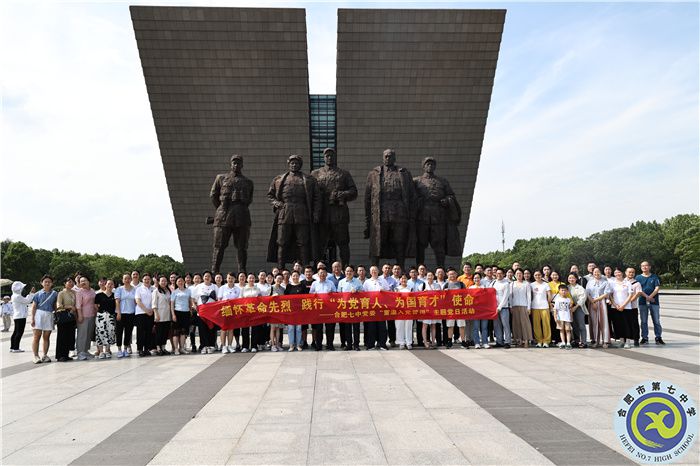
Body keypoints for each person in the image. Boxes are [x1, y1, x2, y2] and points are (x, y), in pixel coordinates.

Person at [364, 148, 416, 271]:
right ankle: (374, 271)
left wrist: (411, 215)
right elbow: (367, 198)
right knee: (377, 244)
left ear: (395, 158)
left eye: (391, 156)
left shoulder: (404, 173)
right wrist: (368, 221)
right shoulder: (374, 174)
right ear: (383, 158)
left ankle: (401, 270)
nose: (388, 158)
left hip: (400, 213)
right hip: (380, 214)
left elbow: (412, 196)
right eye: (386, 156)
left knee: (400, 243)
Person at [30, 275, 58, 364]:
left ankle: (45, 355)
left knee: (46, 336)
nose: (47, 283)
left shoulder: (54, 294)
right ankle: (35, 356)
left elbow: (55, 305)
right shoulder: (37, 294)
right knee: (36, 336)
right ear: (41, 283)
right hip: (39, 314)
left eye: (49, 282)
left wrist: (56, 314)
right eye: (45, 281)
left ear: (52, 283)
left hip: (49, 314)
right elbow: (34, 307)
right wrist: (32, 319)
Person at [636, 261, 664, 345]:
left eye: (646, 266)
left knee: (656, 320)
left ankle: (658, 337)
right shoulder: (638, 277)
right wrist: (647, 297)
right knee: (643, 321)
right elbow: (638, 290)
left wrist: (650, 297)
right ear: (641, 267)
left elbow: (657, 288)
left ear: (649, 267)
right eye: (643, 266)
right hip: (642, 302)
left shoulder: (654, 277)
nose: (644, 267)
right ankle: (644, 337)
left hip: (654, 302)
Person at [309, 268, 336, 350]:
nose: (322, 275)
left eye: (324, 273)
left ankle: (330, 344)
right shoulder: (314, 283)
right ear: (318, 274)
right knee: (318, 328)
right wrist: (314, 294)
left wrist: (332, 294)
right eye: (321, 273)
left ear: (326, 274)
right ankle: (318, 345)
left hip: (329, 308)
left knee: (330, 328)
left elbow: (336, 293)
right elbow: (310, 294)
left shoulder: (330, 283)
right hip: (318, 308)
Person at [337, 265, 363, 351]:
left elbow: (363, 293)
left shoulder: (358, 282)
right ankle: (348, 344)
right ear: (344, 272)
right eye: (347, 271)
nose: (349, 273)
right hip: (345, 308)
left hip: (356, 308)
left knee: (356, 327)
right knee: (347, 327)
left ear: (353, 272)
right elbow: (338, 295)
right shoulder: (341, 282)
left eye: (350, 271)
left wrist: (357, 292)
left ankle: (356, 344)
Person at [362, 266, 388, 350]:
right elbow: (363, 295)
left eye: (375, 270)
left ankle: (382, 344)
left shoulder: (383, 281)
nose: (374, 272)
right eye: (372, 270)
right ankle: (371, 345)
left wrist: (383, 291)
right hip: (371, 308)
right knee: (371, 327)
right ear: (370, 272)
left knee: (382, 327)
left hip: (381, 307)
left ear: (378, 271)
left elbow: (388, 292)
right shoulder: (367, 282)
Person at [609, 268, 635, 349]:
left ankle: (627, 342)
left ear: (622, 273)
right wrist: (615, 305)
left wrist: (623, 305)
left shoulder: (627, 283)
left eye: (619, 272)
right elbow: (610, 295)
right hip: (615, 307)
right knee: (618, 324)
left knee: (627, 324)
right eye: (616, 273)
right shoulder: (612, 283)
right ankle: (621, 341)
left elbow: (630, 295)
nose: (617, 274)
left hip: (626, 307)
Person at [194, 271, 218, 354]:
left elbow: (218, 299)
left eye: (208, 276)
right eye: (205, 276)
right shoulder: (199, 286)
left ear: (211, 278)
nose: (207, 278)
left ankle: (211, 345)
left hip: (212, 312)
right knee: (202, 329)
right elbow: (193, 299)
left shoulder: (215, 286)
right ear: (203, 278)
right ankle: (204, 346)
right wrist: (195, 307)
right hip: (202, 311)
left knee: (211, 328)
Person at [586, 267, 611, 348]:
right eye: (595, 272)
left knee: (603, 322)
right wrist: (592, 302)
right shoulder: (590, 282)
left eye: (598, 272)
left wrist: (595, 300)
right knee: (594, 322)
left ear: (601, 272)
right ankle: (595, 340)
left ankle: (605, 341)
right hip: (592, 303)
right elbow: (587, 293)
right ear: (592, 273)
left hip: (602, 303)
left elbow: (606, 294)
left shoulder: (605, 282)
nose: (596, 273)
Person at [443, 268, 466, 349]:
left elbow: (466, 295)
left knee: (461, 325)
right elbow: (442, 298)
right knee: (450, 325)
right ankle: (449, 341)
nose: (452, 275)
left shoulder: (461, 284)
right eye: (450, 274)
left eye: (453, 274)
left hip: (460, 308)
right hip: (450, 308)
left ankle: (463, 341)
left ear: (456, 275)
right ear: (447, 275)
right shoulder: (446, 285)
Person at [217, 272, 240, 353]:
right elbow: (219, 300)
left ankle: (230, 345)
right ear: (226, 279)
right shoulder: (222, 288)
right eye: (229, 278)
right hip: (224, 310)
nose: (230, 280)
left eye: (232, 278)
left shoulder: (237, 289)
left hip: (233, 310)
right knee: (224, 329)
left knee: (231, 329)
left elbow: (239, 300)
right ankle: (223, 346)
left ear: (235, 279)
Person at [75, 276, 97, 360]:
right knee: (82, 334)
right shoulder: (79, 292)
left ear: (89, 281)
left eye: (85, 281)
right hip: (83, 315)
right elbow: (78, 305)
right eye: (81, 281)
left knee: (88, 334)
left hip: (92, 315)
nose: (83, 282)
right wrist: (80, 315)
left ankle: (86, 350)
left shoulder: (92, 291)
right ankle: (80, 352)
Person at [115, 273, 137, 358]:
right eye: (125, 279)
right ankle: (119, 349)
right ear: (122, 280)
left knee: (128, 332)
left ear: (130, 280)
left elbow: (136, 301)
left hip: (131, 314)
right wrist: (118, 313)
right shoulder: (119, 289)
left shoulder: (134, 289)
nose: (127, 280)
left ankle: (125, 349)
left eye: (128, 278)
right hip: (121, 313)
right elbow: (117, 301)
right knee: (119, 332)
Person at [55, 278, 77, 361]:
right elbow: (59, 305)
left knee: (69, 336)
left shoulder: (73, 293)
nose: (71, 283)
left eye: (72, 282)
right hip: (63, 316)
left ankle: (66, 354)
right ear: (65, 283)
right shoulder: (61, 293)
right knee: (62, 336)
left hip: (71, 317)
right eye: (69, 282)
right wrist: (70, 307)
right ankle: (60, 355)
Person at [10, 282, 35, 353]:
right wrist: (31, 293)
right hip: (20, 316)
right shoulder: (17, 296)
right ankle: (16, 348)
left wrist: (29, 295)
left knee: (15, 332)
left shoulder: (14, 295)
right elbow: (27, 301)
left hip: (17, 316)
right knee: (19, 332)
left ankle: (12, 347)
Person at [94, 279, 117, 358]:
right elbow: (95, 306)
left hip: (110, 316)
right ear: (105, 285)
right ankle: (101, 351)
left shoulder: (115, 295)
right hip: (101, 315)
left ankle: (107, 350)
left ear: (113, 286)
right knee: (100, 333)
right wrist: (101, 313)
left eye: (112, 284)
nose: (110, 285)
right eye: (108, 284)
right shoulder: (99, 295)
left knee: (110, 332)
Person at [170, 276, 192, 355]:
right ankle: (176, 349)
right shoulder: (175, 292)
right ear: (176, 283)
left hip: (186, 313)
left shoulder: (188, 291)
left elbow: (190, 301)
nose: (180, 282)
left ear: (184, 282)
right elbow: (172, 304)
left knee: (183, 332)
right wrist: (173, 314)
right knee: (176, 332)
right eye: (179, 281)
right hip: (177, 312)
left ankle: (182, 348)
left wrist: (190, 310)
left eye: (182, 281)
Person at [285, 271, 306, 351]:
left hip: (299, 311)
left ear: (299, 276)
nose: (295, 277)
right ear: (291, 277)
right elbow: (285, 298)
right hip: (290, 311)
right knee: (290, 328)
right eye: (293, 276)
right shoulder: (288, 286)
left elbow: (305, 298)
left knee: (298, 328)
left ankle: (298, 344)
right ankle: (291, 345)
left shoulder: (302, 286)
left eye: (296, 276)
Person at [510, 269, 532, 348]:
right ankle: (518, 340)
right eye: (517, 274)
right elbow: (510, 296)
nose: (519, 275)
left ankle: (526, 340)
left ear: (523, 275)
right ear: (515, 275)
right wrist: (511, 306)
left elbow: (529, 296)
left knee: (525, 323)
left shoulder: (526, 284)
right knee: (516, 324)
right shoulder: (512, 284)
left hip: (524, 305)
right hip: (515, 306)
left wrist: (529, 307)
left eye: (520, 273)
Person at [134, 274, 155, 357]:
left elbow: (155, 301)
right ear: (142, 280)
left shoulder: (154, 289)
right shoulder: (139, 289)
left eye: (148, 279)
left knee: (148, 332)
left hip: (151, 312)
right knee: (140, 332)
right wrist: (146, 310)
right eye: (145, 279)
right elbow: (138, 301)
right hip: (141, 313)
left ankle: (147, 349)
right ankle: (140, 349)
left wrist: (151, 311)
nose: (147, 280)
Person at [530, 270, 552, 348]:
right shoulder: (531, 285)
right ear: (533, 276)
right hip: (534, 306)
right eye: (536, 275)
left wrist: (549, 303)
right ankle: (539, 341)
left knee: (546, 324)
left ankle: (546, 341)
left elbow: (549, 295)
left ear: (541, 276)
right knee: (536, 325)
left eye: (539, 275)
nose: (537, 276)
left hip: (544, 306)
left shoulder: (546, 284)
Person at [240, 274, 261, 353]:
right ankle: (245, 346)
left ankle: (254, 346)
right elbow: (240, 300)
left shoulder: (257, 289)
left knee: (255, 329)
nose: (251, 279)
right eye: (250, 278)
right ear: (247, 279)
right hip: (246, 311)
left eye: (253, 278)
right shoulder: (243, 289)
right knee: (245, 329)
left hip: (255, 311)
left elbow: (260, 299)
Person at [492, 268, 512, 349]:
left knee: (505, 325)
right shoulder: (493, 282)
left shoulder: (506, 284)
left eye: (500, 273)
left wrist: (499, 307)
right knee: (497, 325)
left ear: (504, 274)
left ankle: (507, 342)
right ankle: (499, 341)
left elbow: (505, 297)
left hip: (503, 308)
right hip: (494, 308)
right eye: (497, 273)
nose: (499, 275)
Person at [567, 273, 588, 348]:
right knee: (574, 325)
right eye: (569, 278)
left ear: (576, 279)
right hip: (569, 309)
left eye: (573, 278)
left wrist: (575, 307)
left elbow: (583, 299)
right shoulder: (567, 287)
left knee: (581, 325)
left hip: (579, 308)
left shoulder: (580, 288)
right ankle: (576, 340)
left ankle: (584, 341)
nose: (571, 279)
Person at [152, 277, 172, 355]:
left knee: (165, 333)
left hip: (167, 315)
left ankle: (163, 347)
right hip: (159, 315)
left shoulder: (168, 291)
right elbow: (154, 304)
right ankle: (158, 348)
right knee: (159, 333)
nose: (164, 282)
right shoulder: (156, 291)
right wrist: (156, 314)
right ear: (159, 282)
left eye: (165, 281)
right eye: (162, 281)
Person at [469, 273, 489, 349]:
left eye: (478, 278)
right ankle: (476, 342)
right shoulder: (471, 288)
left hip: (484, 310)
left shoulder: (485, 287)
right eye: (475, 278)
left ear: (480, 279)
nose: (476, 279)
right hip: (475, 310)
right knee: (475, 327)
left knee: (484, 327)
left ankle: (485, 342)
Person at [395, 275, 414, 349]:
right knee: (399, 327)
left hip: (409, 311)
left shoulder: (410, 288)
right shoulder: (396, 289)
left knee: (408, 327)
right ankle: (401, 342)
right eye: (402, 278)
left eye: (405, 278)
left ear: (407, 279)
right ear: (399, 280)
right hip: (399, 311)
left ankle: (409, 342)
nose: (403, 280)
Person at [422, 271, 440, 349]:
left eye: (431, 275)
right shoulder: (422, 285)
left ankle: (433, 342)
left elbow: (440, 295)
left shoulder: (437, 285)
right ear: (426, 277)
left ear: (433, 276)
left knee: (433, 325)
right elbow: (418, 295)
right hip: (426, 308)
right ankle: (425, 342)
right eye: (428, 275)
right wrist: (424, 292)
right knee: (425, 326)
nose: (430, 277)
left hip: (434, 308)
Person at [553, 284, 573, 349]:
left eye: (565, 290)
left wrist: (571, 317)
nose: (563, 292)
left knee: (568, 330)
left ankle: (568, 343)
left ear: (567, 291)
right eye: (562, 290)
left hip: (567, 317)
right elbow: (555, 309)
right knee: (561, 330)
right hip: (560, 317)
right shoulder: (557, 300)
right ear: (559, 291)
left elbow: (570, 309)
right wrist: (555, 317)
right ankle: (563, 342)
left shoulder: (569, 300)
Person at [270, 275, 285, 352]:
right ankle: (272, 345)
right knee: (273, 328)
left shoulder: (283, 289)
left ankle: (277, 344)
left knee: (279, 328)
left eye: (281, 279)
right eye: (278, 278)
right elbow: (266, 298)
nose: (279, 280)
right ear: (274, 279)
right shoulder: (271, 287)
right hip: (272, 310)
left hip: (280, 311)